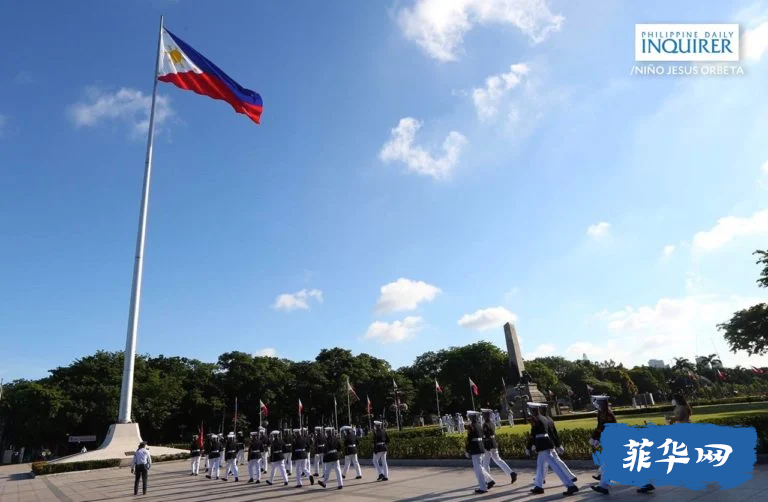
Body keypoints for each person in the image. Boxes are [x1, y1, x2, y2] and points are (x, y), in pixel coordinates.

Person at [637, 394, 692, 494]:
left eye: (673, 399)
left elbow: (679, 418)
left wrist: (669, 418)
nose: (672, 401)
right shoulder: (684, 407)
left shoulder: (681, 407)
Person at [526, 403, 579, 496]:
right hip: (547, 443)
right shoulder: (544, 418)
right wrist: (557, 445)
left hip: (542, 445)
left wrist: (528, 446)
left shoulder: (535, 419)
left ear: (533, 410)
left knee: (555, 466)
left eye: (530, 410)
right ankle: (538, 486)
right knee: (540, 466)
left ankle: (570, 485)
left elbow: (533, 435)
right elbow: (551, 433)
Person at [539, 405, 577, 483]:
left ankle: (570, 477)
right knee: (546, 463)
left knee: (547, 462)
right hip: (551, 444)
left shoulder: (544, 420)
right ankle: (541, 479)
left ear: (541, 410)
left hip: (547, 444)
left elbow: (551, 434)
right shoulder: (550, 419)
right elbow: (555, 433)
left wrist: (557, 445)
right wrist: (558, 444)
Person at [480, 408, 517, 484]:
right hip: (493, 443)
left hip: (488, 445)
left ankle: (488, 480)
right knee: (498, 460)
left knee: (485, 463)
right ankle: (511, 473)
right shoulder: (492, 423)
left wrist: (485, 446)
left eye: (484, 414)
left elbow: (486, 436)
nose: (483, 416)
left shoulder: (485, 425)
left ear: (486, 415)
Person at [589, 395, 617, 495]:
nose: (597, 405)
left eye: (599, 403)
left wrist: (598, 438)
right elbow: (599, 427)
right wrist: (595, 437)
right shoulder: (601, 413)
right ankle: (603, 481)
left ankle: (603, 485)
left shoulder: (609, 414)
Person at [465, 410, 495, 494]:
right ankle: (489, 480)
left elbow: (469, 439)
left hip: (475, 448)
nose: (469, 418)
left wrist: (467, 450)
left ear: (471, 417)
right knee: (479, 467)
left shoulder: (470, 427)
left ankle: (483, 487)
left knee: (478, 468)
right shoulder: (479, 425)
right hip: (481, 448)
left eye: (470, 417)